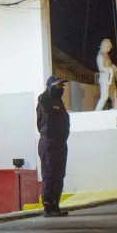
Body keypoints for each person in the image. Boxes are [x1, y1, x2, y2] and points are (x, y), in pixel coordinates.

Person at [37, 76, 71, 218]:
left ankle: (55, 204)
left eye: (63, 86)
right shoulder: (45, 100)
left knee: (59, 174)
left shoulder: (59, 102)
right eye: (59, 85)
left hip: (61, 143)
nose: (62, 88)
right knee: (50, 174)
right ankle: (48, 207)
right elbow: (45, 123)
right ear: (50, 86)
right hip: (49, 142)